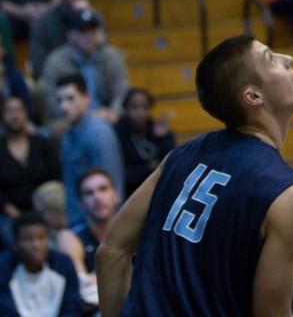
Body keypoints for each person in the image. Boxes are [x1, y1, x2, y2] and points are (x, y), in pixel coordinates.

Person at [95, 35, 293, 317]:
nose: (289, 59)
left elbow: (111, 253)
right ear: (252, 96)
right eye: (271, 59)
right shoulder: (292, 195)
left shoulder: (180, 156)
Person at [55, 75, 124, 229]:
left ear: (86, 98)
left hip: (98, 225)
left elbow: (111, 188)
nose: (64, 107)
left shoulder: (99, 134)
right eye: (59, 101)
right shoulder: (69, 134)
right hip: (78, 220)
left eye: (70, 98)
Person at [41, 9, 129, 127]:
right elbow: (51, 101)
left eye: (92, 30)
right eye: (82, 31)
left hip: (108, 117)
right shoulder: (56, 61)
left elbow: (121, 92)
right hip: (69, 119)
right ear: (70, 34)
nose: (89, 36)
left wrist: (113, 113)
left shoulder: (112, 56)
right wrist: (84, 116)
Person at [57, 168, 120, 310]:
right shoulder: (70, 237)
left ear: (115, 195)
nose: (97, 197)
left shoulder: (135, 231)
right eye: (88, 193)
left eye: (103, 189)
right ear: (81, 202)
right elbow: (85, 290)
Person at [0, 212, 82, 316]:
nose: (36, 245)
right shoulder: (4, 267)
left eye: (41, 238)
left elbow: (72, 307)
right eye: (28, 239)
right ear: (16, 242)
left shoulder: (62, 264)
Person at [0, 98, 59, 235]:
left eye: (19, 110)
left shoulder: (42, 144)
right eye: (9, 111)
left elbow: (55, 177)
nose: (15, 115)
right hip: (9, 216)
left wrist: (44, 212)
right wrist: (13, 213)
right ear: (2, 115)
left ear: (27, 114)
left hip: (46, 213)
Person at [113, 89, 175, 196]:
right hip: (130, 194)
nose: (140, 113)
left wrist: (165, 138)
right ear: (125, 109)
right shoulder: (118, 133)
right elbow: (123, 174)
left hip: (157, 191)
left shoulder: (156, 129)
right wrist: (150, 167)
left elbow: (170, 165)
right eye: (134, 107)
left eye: (145, 107)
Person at [28, 0, 89, 77]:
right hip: (57, 80)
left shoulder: (93, 17)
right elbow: (38, 64)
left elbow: (101, 56)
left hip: (89, 78)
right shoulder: (43, 22)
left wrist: (85, 19)